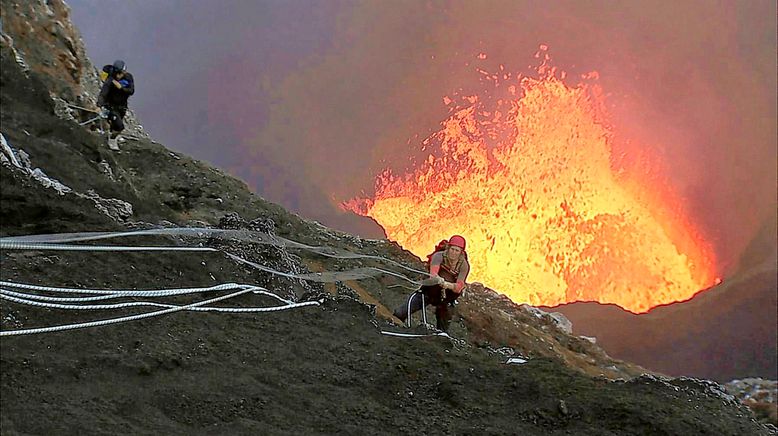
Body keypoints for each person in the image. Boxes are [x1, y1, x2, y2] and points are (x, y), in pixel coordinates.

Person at [393, 235, 470, 332]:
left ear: (461, 252)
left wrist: (447, 285)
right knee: (400, 313)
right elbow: (433, 274)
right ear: (448, 248)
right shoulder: (438, 256)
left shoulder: (464, 265)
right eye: (452, 249)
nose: (453, 253)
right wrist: (438, 280)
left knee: (442, 332)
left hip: (446, 299)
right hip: (429, 292)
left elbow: (459, 286)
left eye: (457, 250)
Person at [97, 60, 134, 150]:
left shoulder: (128, 77)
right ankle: (112, 140)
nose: (122, 75)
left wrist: (121, 88)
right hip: (111, 106)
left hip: (122, 106)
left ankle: (113, 135)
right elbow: (103, 94)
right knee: (120, 126)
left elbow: (131, 91)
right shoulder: (110, 81)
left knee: (116, 124)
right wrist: (99, 105)